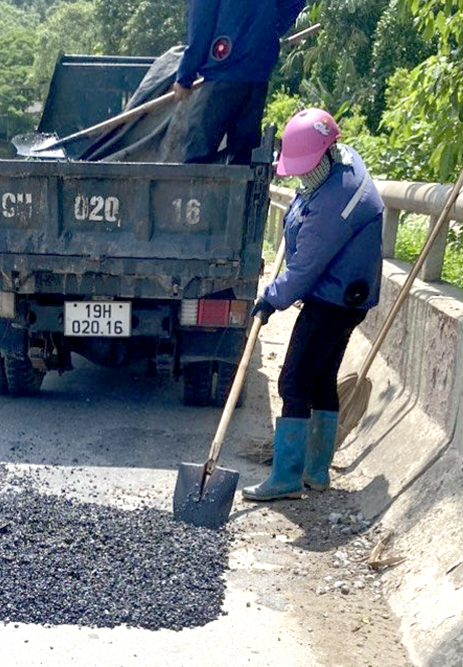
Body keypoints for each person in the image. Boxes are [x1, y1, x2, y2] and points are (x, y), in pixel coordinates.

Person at [241, 108, 383, 501]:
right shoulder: (345, 159)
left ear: (325, 152)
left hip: (332, 300)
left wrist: (270, 300)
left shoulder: (335, 203)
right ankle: (316, 472)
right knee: (322, 379)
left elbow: (303, 271)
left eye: (306, 166)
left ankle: (286, 478)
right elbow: (309, 206)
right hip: (350, 296)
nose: (302, 175)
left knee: (293, 380)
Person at [172, 0, 306, 164]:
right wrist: (269, 31)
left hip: (223, 72)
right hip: (258, 69)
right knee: (244, 159)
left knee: (197, 157)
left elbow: (201, 24)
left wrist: (185, 76)